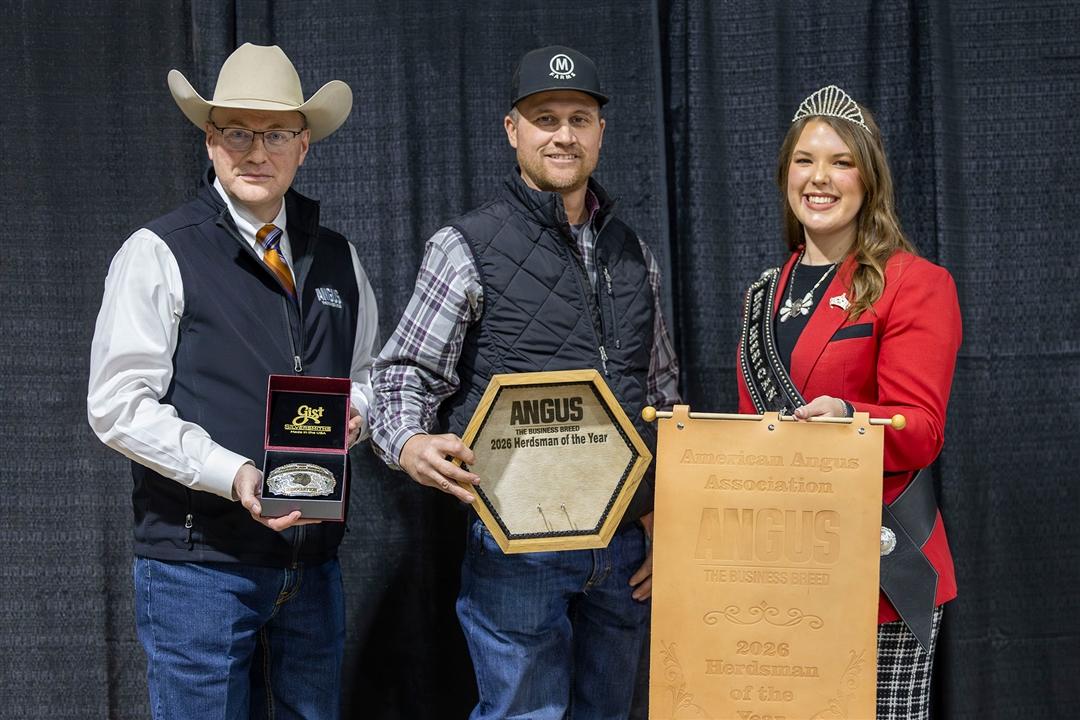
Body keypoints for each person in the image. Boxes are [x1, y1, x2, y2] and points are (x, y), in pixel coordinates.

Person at [370, 45, 680, 720]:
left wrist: (662, 520)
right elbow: (402, 375)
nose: (563, 134)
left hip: (624, 542)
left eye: (579, 118)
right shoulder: (466, 244)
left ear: (601, 132)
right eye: (544, 118)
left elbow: (659, 398)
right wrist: (408, 444)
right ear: (513, 129)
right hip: (519, 541)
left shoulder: (635, 254)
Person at [87, 44, 379, 719]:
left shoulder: (339, 257)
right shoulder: (159, 251)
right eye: (238, 132)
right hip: (199, 568)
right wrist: (233, 473)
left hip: (313, 566)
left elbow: (367, 374)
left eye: (275, 133)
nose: (257, 151)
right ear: (211, 142)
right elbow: (117, 406)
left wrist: (355, 417)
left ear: (302, 147)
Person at [736, 85, 961, 719]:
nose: (820, 178)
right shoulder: (762, 294)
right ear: (786, 174)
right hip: (785, 574)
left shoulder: (914, 282)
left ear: (870, 178)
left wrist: (848, 423)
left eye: (841, 161)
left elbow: (920, 431)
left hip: (879, 574)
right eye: (805, 160)